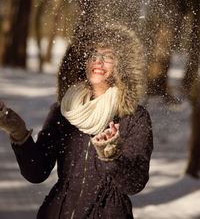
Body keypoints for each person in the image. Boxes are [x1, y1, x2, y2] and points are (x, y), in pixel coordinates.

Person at [0, 22, 153, 219]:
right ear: (84, 61)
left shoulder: (134, 117)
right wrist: (18, 133)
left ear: (122, 65)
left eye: (108, 56)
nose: (98, 61)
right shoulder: (64, 110)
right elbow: (36, 172)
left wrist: (111, 155)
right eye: (93, 55)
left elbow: (133, 184)